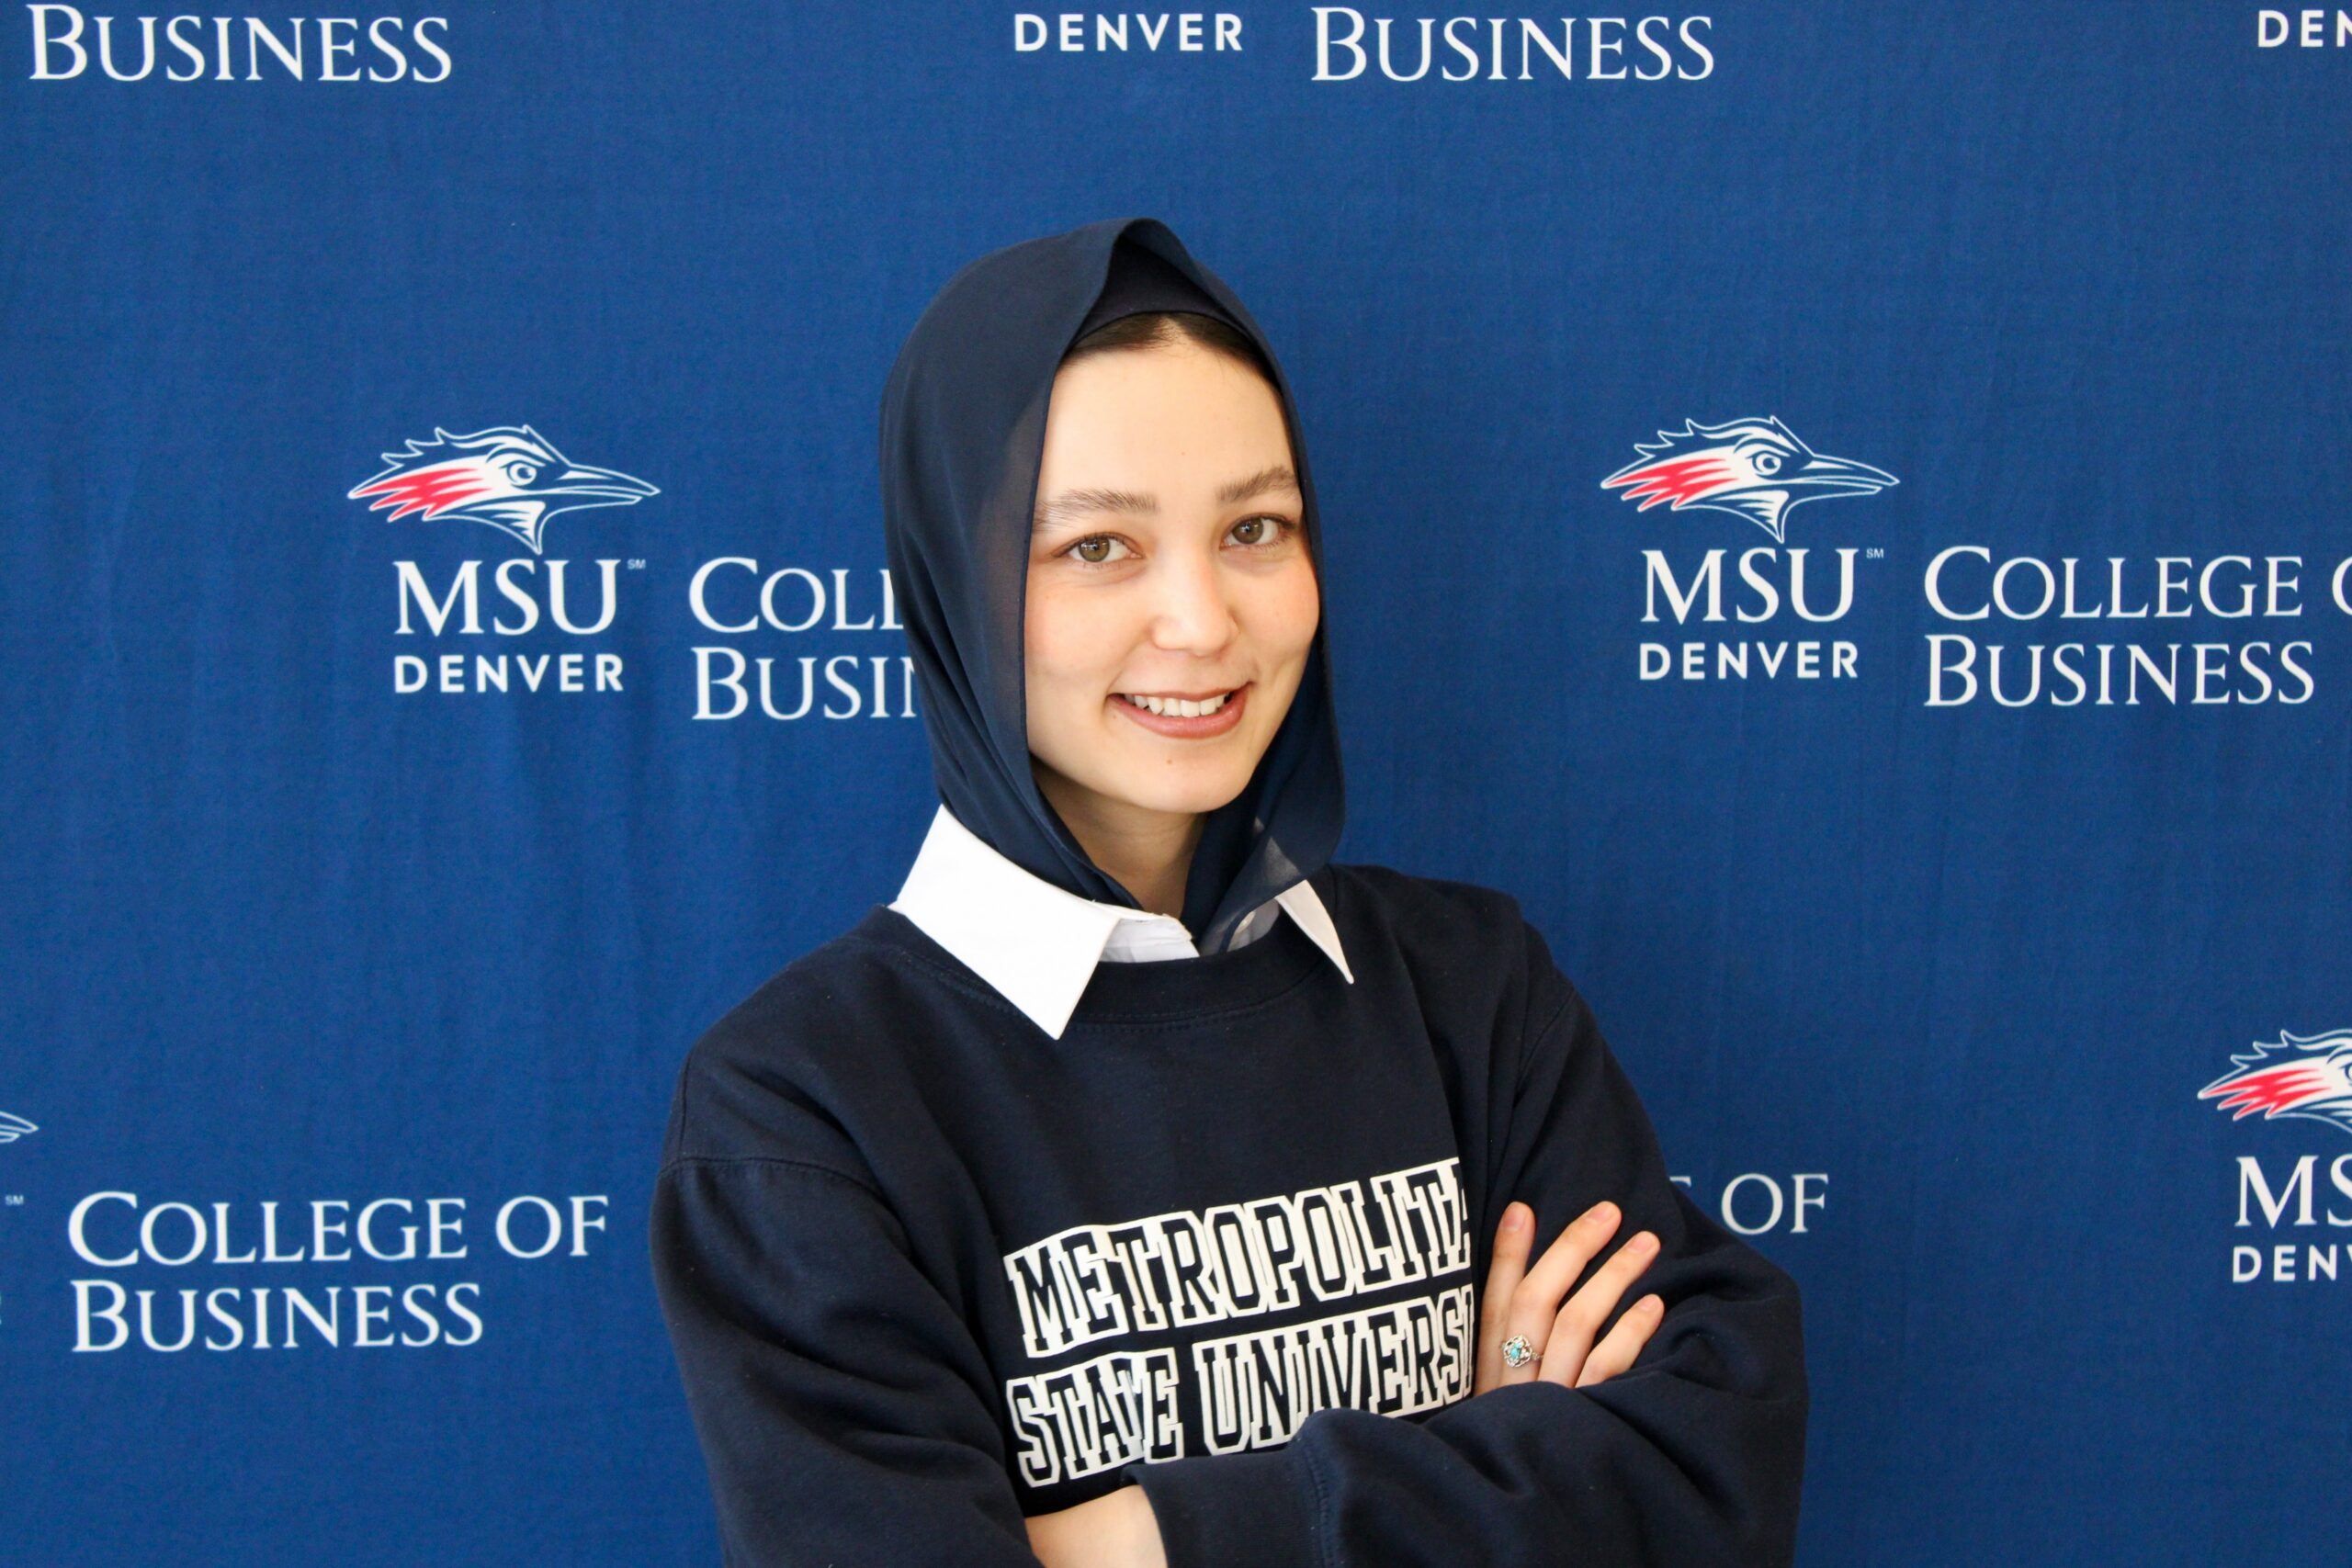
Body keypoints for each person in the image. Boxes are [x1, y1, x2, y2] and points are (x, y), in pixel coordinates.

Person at [649, 216, 1808, 1568]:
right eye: (1095, 548)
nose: (1202, 622)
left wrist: (1111, 1545)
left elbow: (1709, 1476)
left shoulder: (1470, 990)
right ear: (956, 590)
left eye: (1256, 528)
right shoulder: (802, 1109)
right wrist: (1495, 1462)